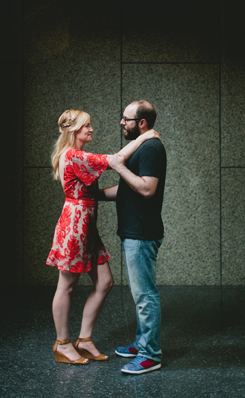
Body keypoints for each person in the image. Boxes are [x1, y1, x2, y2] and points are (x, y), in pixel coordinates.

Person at [47, 109, 158, 365]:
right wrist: (145, 137)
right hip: (74, 225)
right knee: (67, 285)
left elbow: (94, 192)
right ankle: (62, 344)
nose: (91, 129)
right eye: (87, 125)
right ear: (74, 130)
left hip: (86, 225)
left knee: (104, 282)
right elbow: (116, 159)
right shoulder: (73, 155)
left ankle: (84, 340)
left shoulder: (76, 155)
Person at [100, 100, 168, 375]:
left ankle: (150, 355)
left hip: (142, 234)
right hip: (134, 232)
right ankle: (142, 343)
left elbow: (147, 188)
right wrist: (95, 195)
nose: (121, 122)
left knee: (145, 295)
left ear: (141, 122)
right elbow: (129, 187)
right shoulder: (143, 144)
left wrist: (118, 166)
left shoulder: (151, 148)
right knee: (141, 294)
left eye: (126, 119)